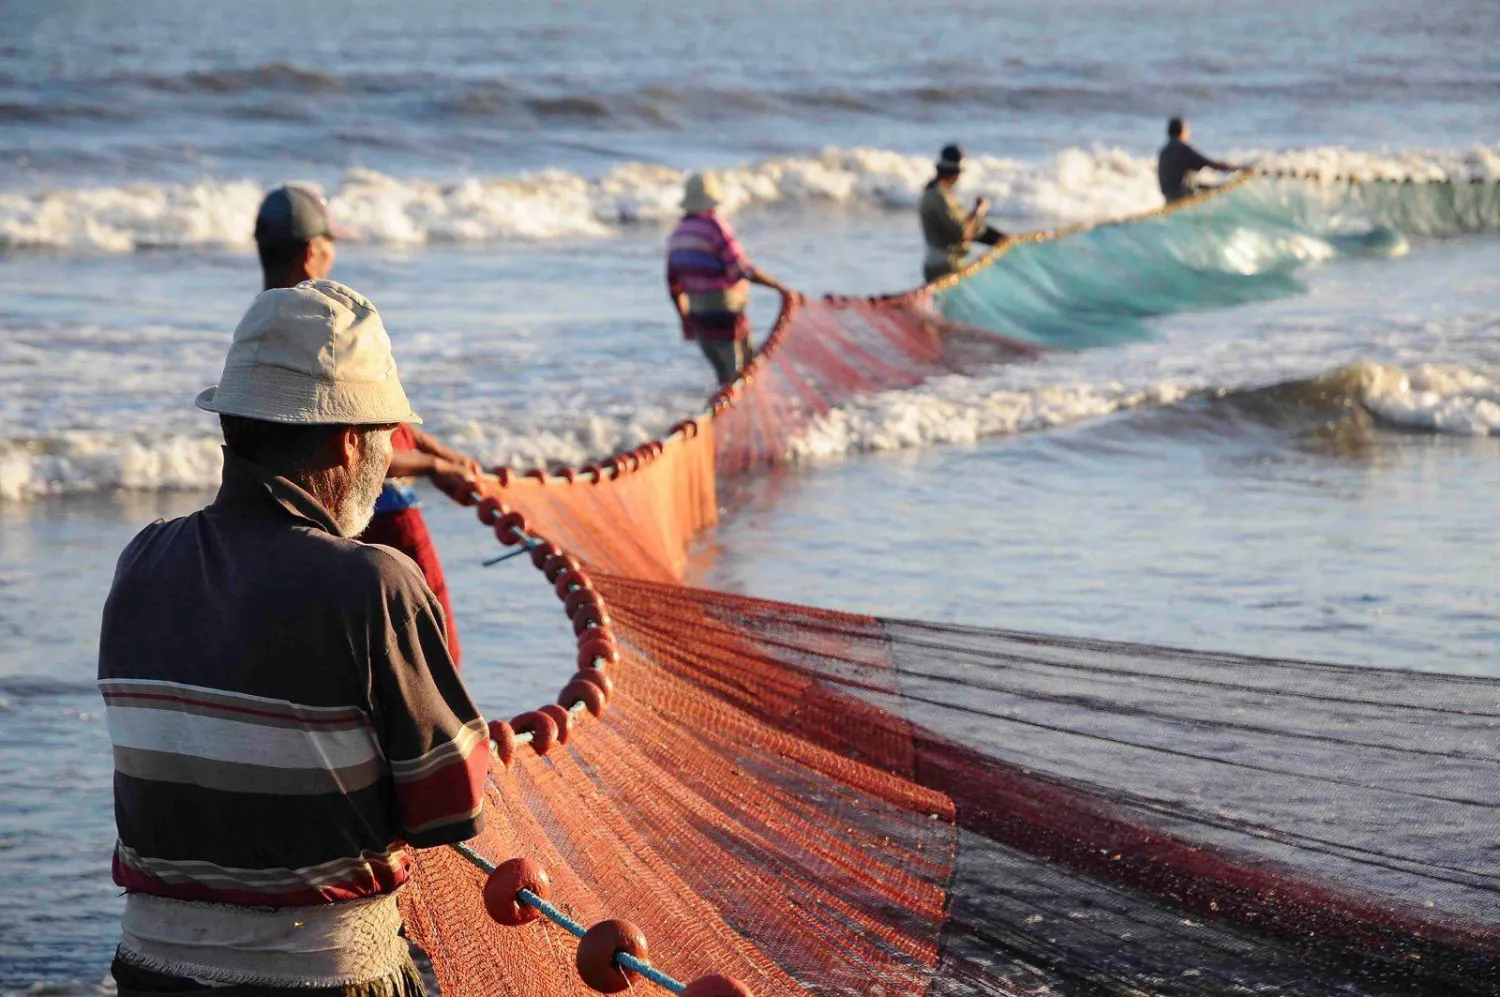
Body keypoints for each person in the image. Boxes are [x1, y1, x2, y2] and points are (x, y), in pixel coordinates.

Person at [100, 280, 488, 996]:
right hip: (322, 976)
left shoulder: (140, 561)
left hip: (148, 972)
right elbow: (451, 809)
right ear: (350, 440)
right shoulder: (374, 583)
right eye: (381, 437)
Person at [255, 185, 479, 667]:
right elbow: (343, 444)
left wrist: (431, 446)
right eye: (330, 245)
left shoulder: (259, 331)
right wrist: (433, 466)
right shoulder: (320, 322)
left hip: (320, 523)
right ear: (313, 252)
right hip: (378, 517)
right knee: (430, 654)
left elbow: (366, 416)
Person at [666, 172, 796, 386]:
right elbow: (741, 269)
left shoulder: (677, 235)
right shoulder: (715, 226)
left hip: (698, 314)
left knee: (724, 380)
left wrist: (685, 320)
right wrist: (779, 287)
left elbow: (674, 285)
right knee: (743, 376)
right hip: (726, 311)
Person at [919, 144, 1005, 283]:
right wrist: (979, 211)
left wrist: (999, 238)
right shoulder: (940, 197)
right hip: (946, 267)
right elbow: (962, 232)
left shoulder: (932, 192)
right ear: (955, 173)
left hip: (935, 264)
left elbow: (963, 227)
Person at [1157, 117, 1245, 203]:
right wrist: (1239, 169)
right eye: (1187, 130)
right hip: (1183, 200)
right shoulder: (1182, 148)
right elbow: (1211, 165)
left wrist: (1218, 187)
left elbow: (1182, 182)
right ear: (1182, 131)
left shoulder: (1163, 151)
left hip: (1169, 201)